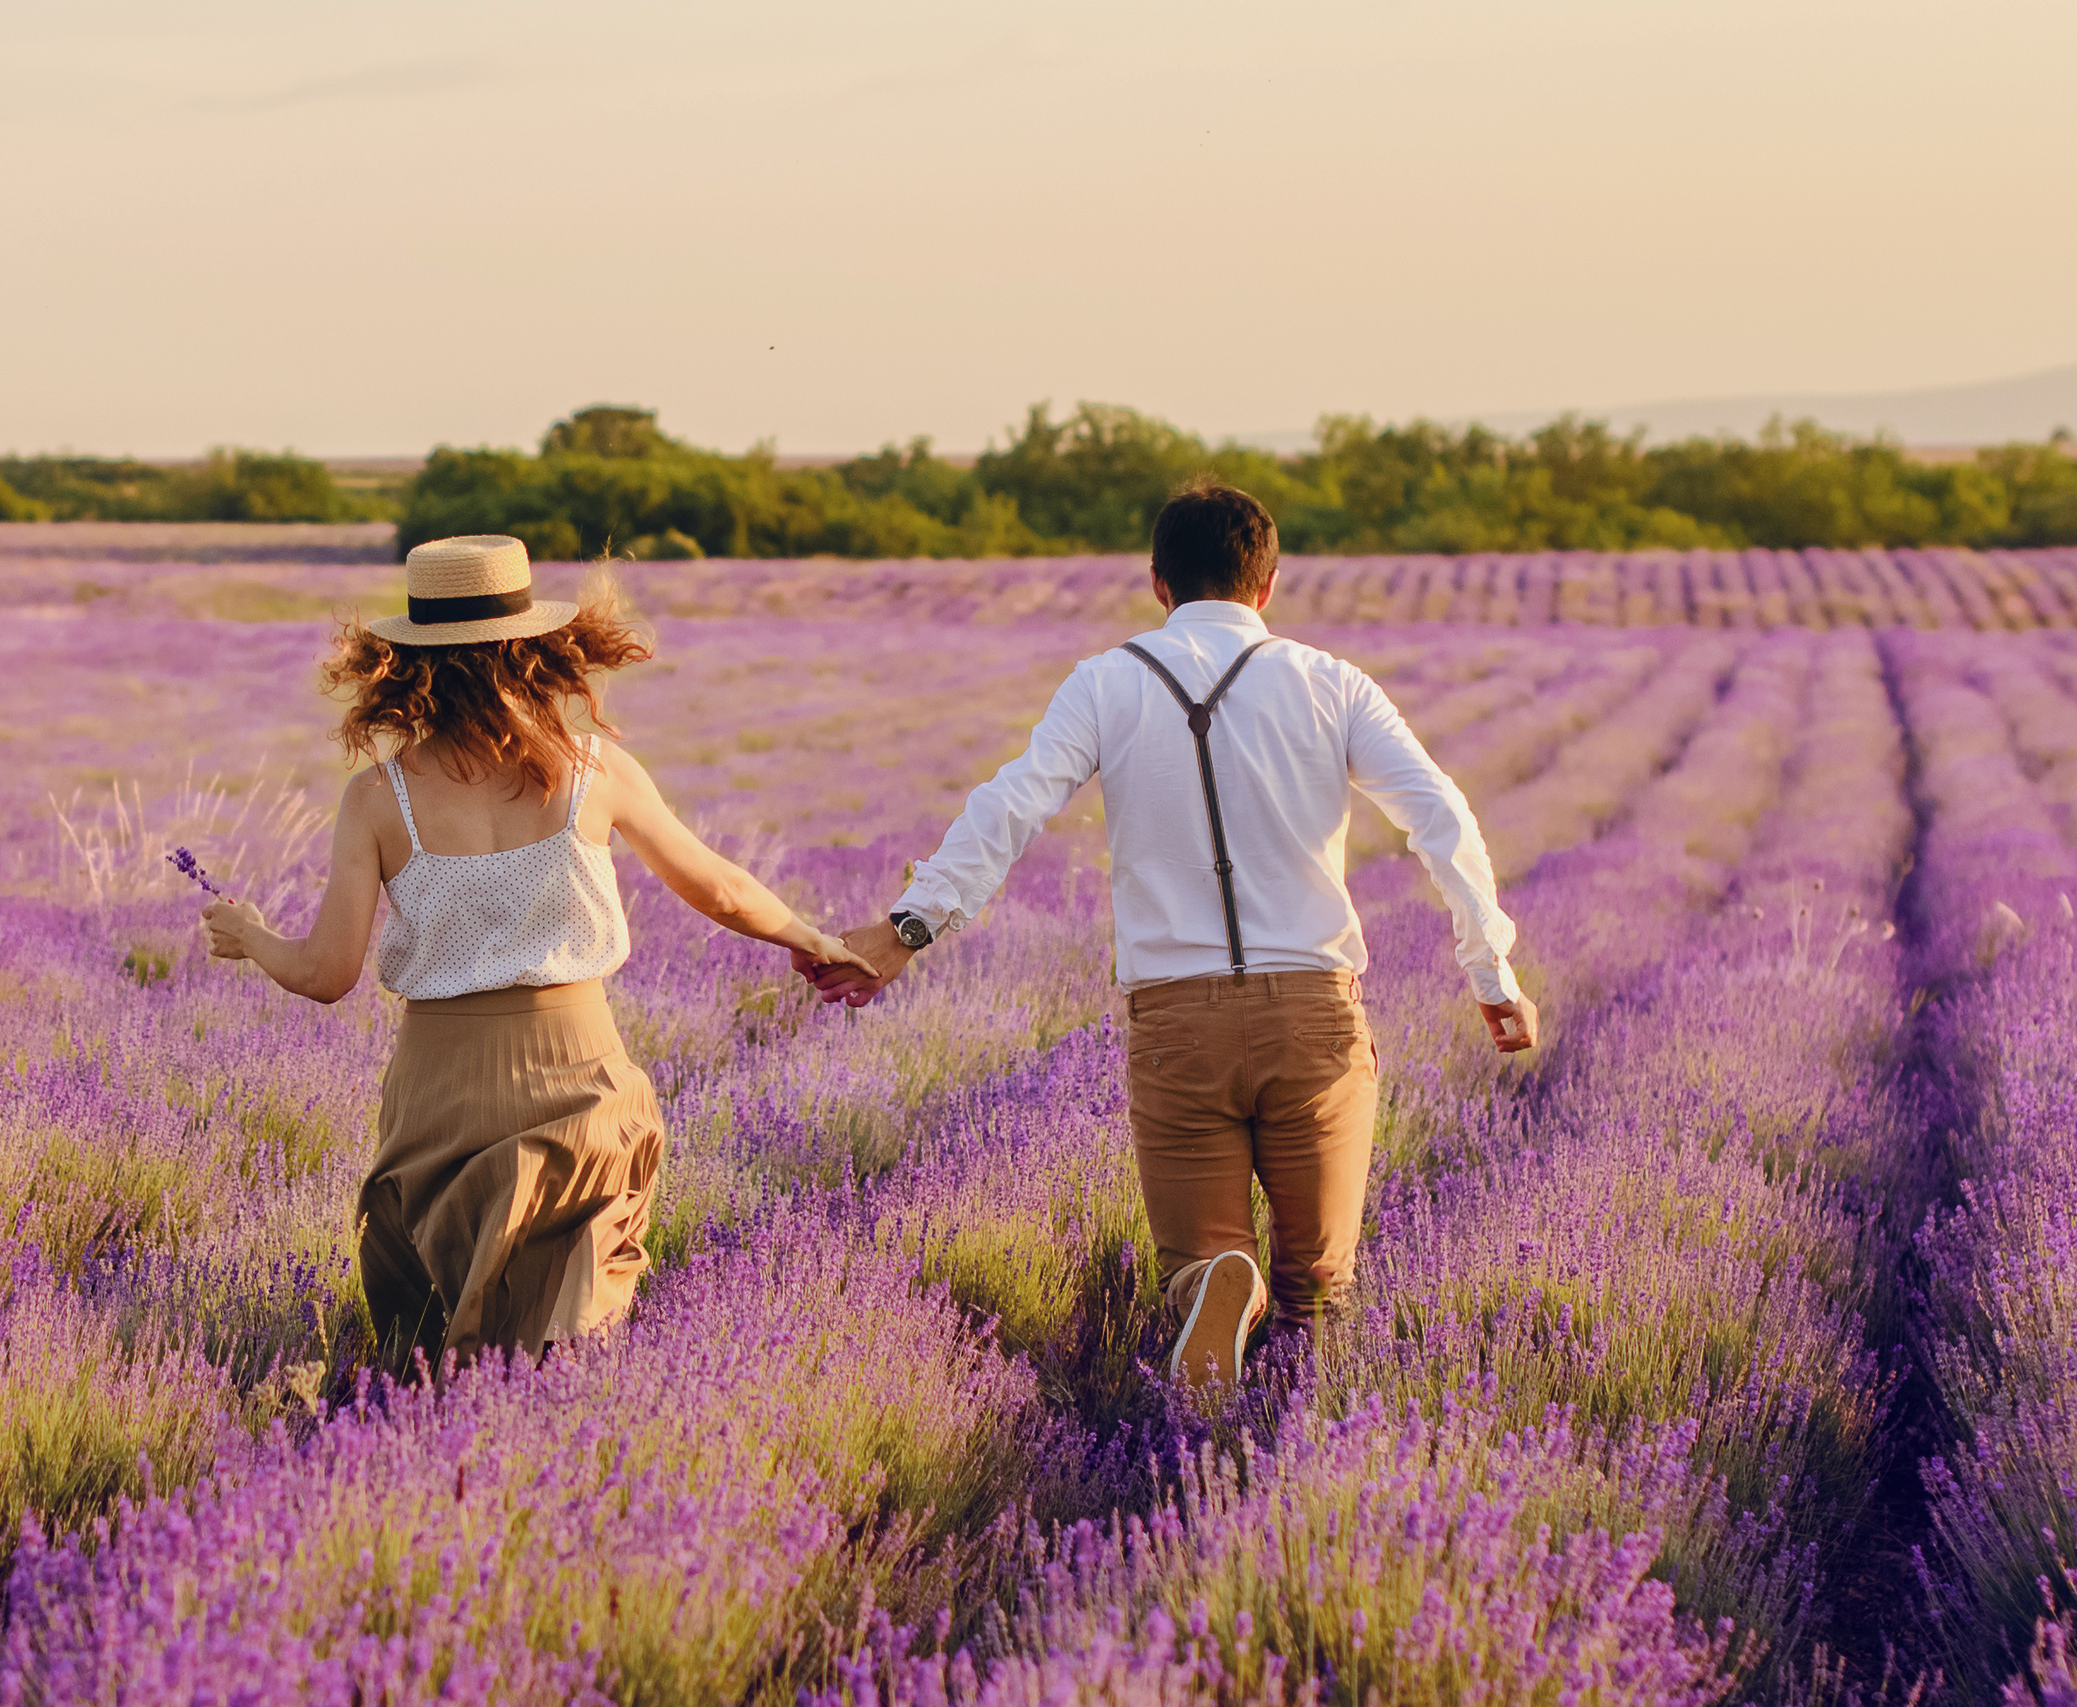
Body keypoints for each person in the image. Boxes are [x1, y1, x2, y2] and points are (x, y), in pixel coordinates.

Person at [801, 483, 1538, 1394]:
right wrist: (1490, 967)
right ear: (1268, 585)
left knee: (1195, 1268)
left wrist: (906, 928)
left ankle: (1215, 1299)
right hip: (1314, 1016)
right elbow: (1441, 816)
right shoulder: (1332, 683)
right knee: (1322, 1291)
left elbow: (1012, 805)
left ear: (1157, 584)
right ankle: (1283, 1479)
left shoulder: (1107, 681)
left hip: (1177, 1021)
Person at [203, 534, 874, 1367]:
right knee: (573, 1345)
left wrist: (251, 936)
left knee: (436, 1359)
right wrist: (811, 939)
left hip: (437, 1105)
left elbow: (327, 974)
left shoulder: (379, 798)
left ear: (409, 664)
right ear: (532, 651)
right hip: (578, 1084)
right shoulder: (596, 769)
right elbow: (721, 889)